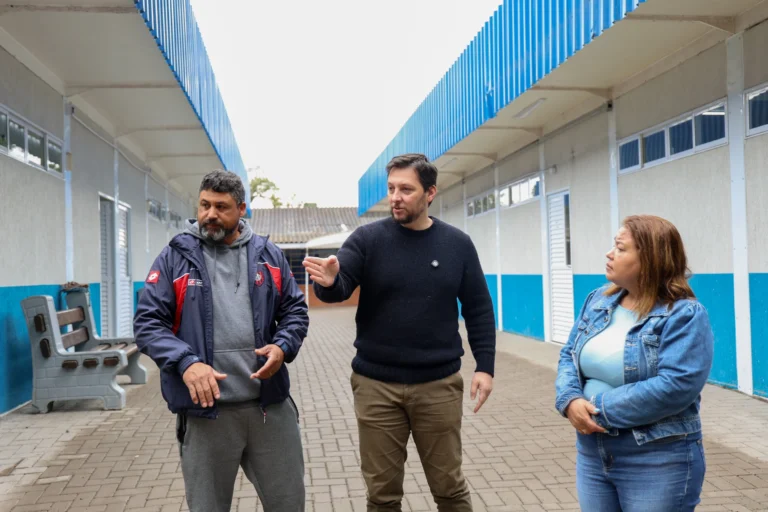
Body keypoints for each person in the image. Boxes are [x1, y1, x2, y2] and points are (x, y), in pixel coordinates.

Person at [303, 153, 496, 512]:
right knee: (382, 496)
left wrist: (485, 366)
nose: (396, 197)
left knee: (450, 490)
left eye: (406, 189)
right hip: (376, 387)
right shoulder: (367, 239)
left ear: (430, 193)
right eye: (391, 188)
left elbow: (479, 309)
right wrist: (328, 283)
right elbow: (340, 284)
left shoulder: (457, 245)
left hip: (438, 386)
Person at [134, 170, 309, 512]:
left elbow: (295, 311)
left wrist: (283, 345)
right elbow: (148, 323)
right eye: (204, 205)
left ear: (241, 209)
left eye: (221, 207)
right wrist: (186, 362)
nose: (210, 214)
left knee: (289, 504)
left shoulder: (268, 255)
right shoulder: (175, 258)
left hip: (268, 408)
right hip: (205, 415)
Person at [555, 214, 714, 511]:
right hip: (593, 454)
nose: (609, 253)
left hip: (657, 458)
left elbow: (676, 386)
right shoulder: (597, 300)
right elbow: (569, 355)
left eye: (620, 247)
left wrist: (595, 409)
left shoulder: (684, 316)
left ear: (651, 258)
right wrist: (570, 400)